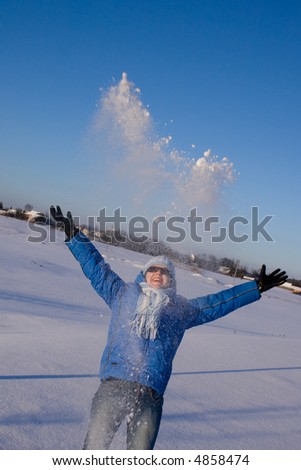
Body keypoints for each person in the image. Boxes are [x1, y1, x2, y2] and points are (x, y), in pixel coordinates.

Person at [50, 206, 288, 450]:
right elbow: (97, 270)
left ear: (171, 280)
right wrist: (74, 236)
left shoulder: (180, 310)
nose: (158, 273)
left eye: (164, 272)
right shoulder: (122, 294)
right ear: (144, 274)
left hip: (151, 394)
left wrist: (255, 288)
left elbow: (219, 303)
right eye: (153, 269)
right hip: (115, 384)